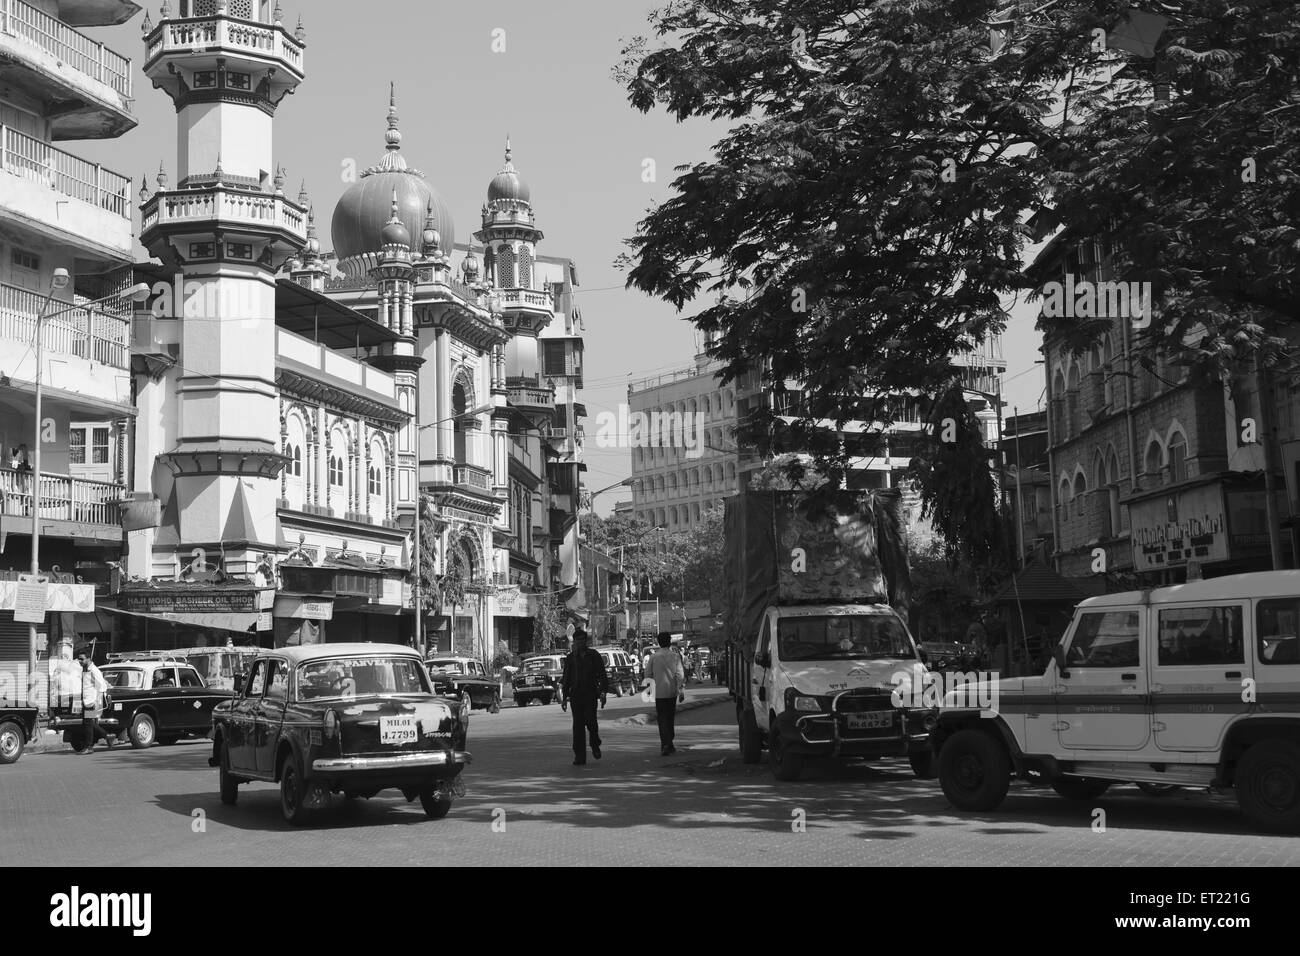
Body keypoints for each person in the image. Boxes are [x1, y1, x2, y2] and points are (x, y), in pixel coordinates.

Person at [560, 629, 607, 765]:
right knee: (578, 727)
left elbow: (602, 675)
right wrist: (564, 698)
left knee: (591, 722)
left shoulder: (593, 655)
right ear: (574, 642)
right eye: (577, 640)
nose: (579, 643)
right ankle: (580, 756)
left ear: (585, 641)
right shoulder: (570, 658)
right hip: (576, 696)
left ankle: (594, 743)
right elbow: (566, 678)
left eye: (582, 640)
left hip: (591, 694)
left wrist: (603, 692)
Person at [646, 632, 687, 756]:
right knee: (670, 718)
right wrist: (681, 690)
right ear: (669, 642)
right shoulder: (675, 656)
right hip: (671, 692)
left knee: (662, 719)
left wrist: (649, 690)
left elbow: (647, 674)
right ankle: (669, 742)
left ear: (659, 643)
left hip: (659, 693)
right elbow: (680, 675)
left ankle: (666, 744)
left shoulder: (653, 657)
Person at [76, 653, 111, 754]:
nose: (80, 661)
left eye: (82, 659)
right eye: (79, 659)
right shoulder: (85, 670)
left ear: (88, 659)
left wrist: (96, 702)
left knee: (88, 723)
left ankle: (89, 746)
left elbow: (102, 687)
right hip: (86, 700)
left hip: (91, 701)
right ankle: (107, 736)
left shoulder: (94, 670)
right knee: (89, 723)